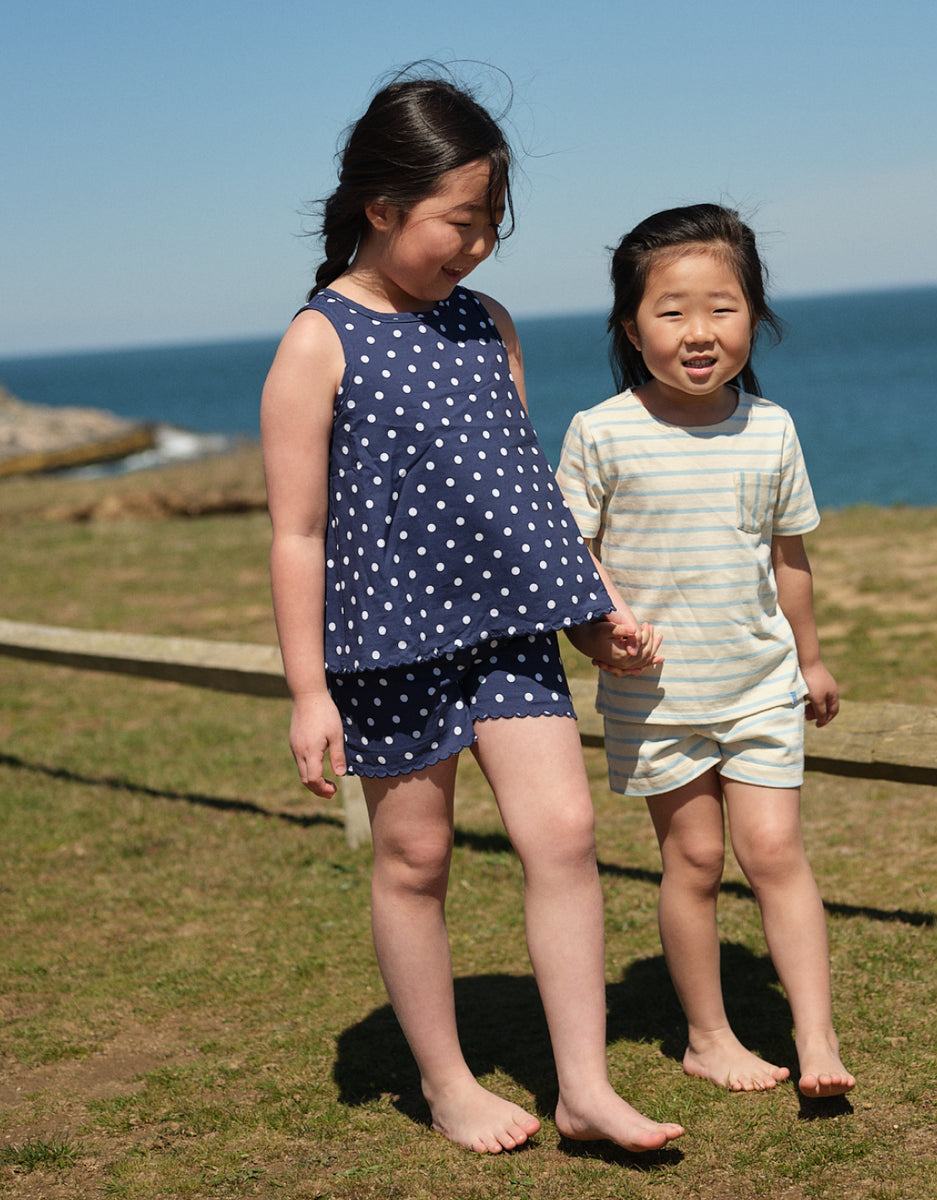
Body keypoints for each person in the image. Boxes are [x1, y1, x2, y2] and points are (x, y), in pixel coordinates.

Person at [260, 71, 683, 1155]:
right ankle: (447, 1084)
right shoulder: (318, 342)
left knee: (567, 833)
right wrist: (309, 691)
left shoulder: (486, 326)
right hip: (387, 646)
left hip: (507, 635)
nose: (478, 247)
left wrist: (596, 612)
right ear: (381, 206)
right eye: (460, 222)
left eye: (491, 224)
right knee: (414, 860)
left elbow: (524, 494)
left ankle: (584, 1088)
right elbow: (297, 534)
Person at [556, 204, 855, 1098]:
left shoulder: (772, 428)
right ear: (628, 324)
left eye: (721, 308)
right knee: (692, 862)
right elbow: (576, 563)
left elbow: (788, 557)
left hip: (761, 684)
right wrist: (597, 636)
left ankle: (817, 1039)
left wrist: (810, 657)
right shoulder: (599, 432)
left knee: (775, 853)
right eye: (671, 310)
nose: (698, 333)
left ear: (755, 316)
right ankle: (708, 1037)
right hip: (655, 702)